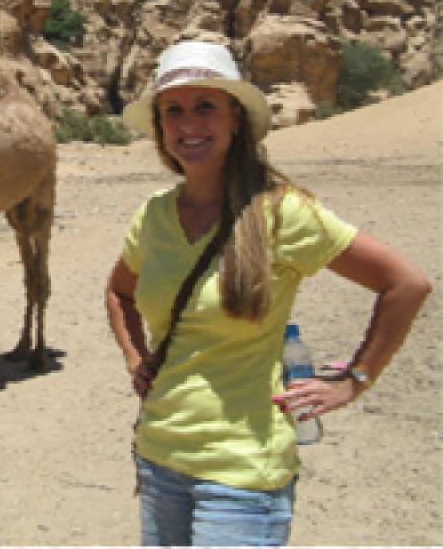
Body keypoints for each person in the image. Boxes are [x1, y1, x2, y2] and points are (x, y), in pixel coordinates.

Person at [105, 40, 430, 547]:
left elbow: (405, 284)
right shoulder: (154, 215)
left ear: (236, 118)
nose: (189, 124)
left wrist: (354, 381)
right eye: (175, 111)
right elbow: (118, 292)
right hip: (159, 458)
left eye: (206, 106)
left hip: (244, 476)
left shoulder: (282, 212)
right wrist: (134, 358)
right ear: (161, 128)